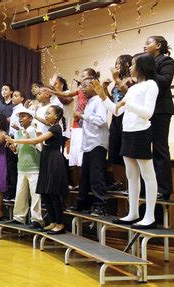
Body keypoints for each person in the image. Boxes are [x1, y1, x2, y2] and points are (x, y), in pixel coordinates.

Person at [93, 52, 159, 229]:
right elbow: (116, 111)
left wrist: (127, 103)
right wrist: (103, 96)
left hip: (141, 133)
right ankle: (133, 213)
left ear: (142, 66)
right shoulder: (134, 88)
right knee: (131, 175)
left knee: (147, 174)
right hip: (127, 133)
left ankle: (150, 216)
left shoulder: (151, 85)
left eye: (133, 64)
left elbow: (147, 113)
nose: (130, 67)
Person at [6, 105, 68, 234]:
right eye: (45, 113)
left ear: (56, 116)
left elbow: (38, 140)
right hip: (46, 161)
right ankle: (52, 221)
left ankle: (60, 224)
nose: (45, 115)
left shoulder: (56, 128)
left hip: (54, 162)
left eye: (48, 113)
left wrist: (15, 140)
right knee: (45, 193)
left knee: (53, 194)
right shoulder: (50, 128)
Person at [69, 77, 109, 217]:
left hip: (97, 143)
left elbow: (102, 121)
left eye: (85, 86)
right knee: (84, 177)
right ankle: (82, 203)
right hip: (88, 144)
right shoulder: (89, 103)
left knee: (96, 176)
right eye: (81, 86)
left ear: (94, 86)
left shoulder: (99, 101)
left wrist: (82, 116)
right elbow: (88, 123)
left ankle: (100, 205)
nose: (82, 89)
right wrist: (80, 119)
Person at [144, 36, 174, 200]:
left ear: (159, 45)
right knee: (143, 150)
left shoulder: (166, 61)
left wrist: (148, 71)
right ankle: (148, 187)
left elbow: (165, 81)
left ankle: (164, 189)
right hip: (145, 111)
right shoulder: (145, 64)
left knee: (159, 148)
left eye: (148, 42)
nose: (145, 45)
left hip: (160, 110)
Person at [6, 108, 43, 229]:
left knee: (35, 195)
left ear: (31, 118)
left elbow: (40, 148)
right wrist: (13, 149)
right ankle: (19, 217)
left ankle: (37, 220)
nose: (21, 119)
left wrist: (28, 138)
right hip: (21, 168)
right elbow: (18, 150)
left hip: (34, 168)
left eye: (24, 116)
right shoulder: (18, 133)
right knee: (20, 194)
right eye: (20, 117)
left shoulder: (36, 131)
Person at [105, 55, 133, 191]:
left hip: (127, 117)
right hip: (116, 117)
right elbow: (112, 100)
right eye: (115, 63)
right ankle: (118, 182)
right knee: (114, 149)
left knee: (127, 150)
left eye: (119, 63)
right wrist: (104, 89)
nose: (116, 66)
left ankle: (130, 183)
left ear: (127, 64)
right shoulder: (116, 82)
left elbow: (129, 94)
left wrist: (116, 79)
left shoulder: (131, 79)